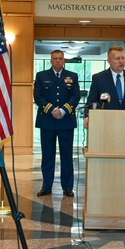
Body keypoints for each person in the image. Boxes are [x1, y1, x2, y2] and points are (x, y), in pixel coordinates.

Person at [34, 49, 80, 197]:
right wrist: (53, 110)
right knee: (47, 156)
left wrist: (64, 110)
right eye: (55, 58)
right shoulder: (41, 76)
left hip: (66, 122)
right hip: (47, 121)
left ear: (64, 60)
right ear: (51, 60)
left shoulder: (72, 76)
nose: (58, 61)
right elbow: (38, 97)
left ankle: (67, 187)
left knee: (67, 156)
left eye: (60, 58)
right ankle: (46, 186)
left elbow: (76, 96)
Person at [84, 45, 125, 127]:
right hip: (106, 123)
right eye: (117, 58)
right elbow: (91, 101)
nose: (121, 61)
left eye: (123, 58)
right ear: (109, 61)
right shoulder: (99, 78)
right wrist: (87, 116)